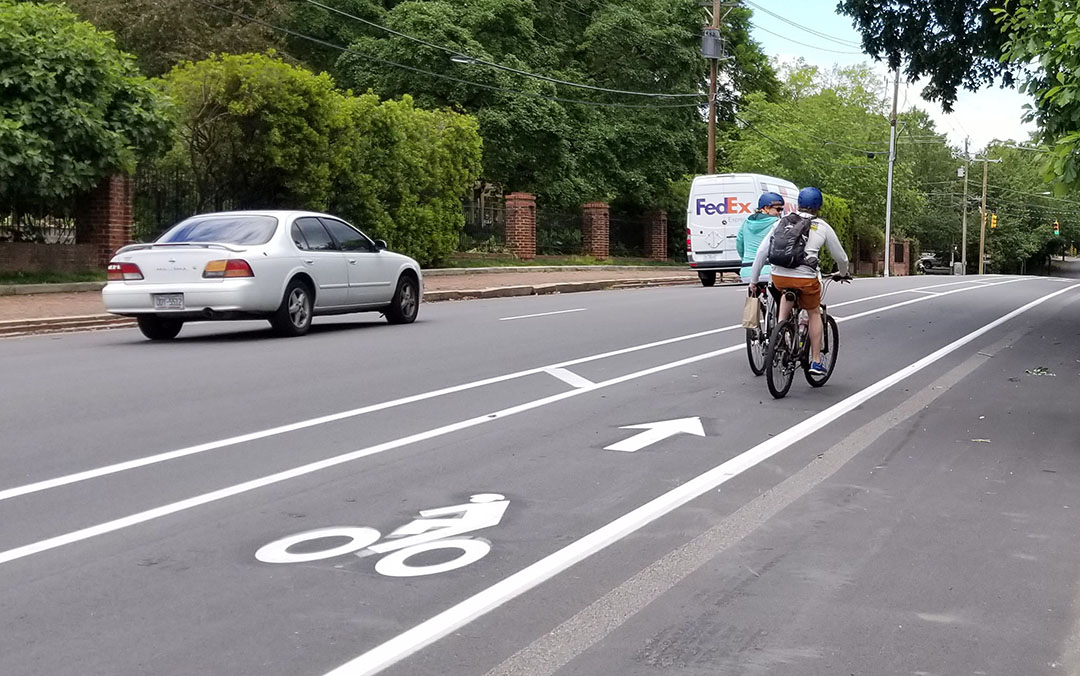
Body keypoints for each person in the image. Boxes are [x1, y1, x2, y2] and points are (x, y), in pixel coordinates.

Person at [750, 186, 850, 376]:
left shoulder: (781, 222)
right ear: (818, 206)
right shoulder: (821, 226)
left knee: (785, 296)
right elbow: (841, 257)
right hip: (805, 280)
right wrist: (843, 273)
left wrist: (753, 281)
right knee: (813, 312)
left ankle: (780, 335)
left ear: (798, 204)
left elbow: (762, 252)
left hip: (779, 276)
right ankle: (817, 362)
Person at [737, 192, 784, 283]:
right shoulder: (778, 223)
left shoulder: (746, 222)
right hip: (770, 271)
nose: (780, 212)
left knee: (754, 294)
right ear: (766, 208)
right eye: (778, 209)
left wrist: (745, 260)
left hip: (746, 271)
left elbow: (739, 244)